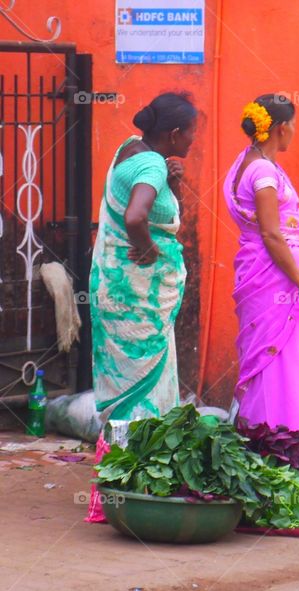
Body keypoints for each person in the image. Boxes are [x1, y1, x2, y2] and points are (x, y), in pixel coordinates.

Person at [90, 92, 197, 421]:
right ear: (175, 134)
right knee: (141, 379)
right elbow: (136, 216)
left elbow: (159, 210)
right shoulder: (151, 164)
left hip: (118, 291)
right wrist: (149, 250)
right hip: (137, 297)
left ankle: (121, 450)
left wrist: (173, 182)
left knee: (125, 376)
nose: (194, 139)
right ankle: (140, 455)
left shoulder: (131, 147)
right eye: (191, 131)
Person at [224, 94, 299, 435]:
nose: (295, 131)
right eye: (293, 125)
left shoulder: (246, 161)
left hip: (271, 279)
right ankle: (280, 436)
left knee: (283, 359)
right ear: (281, 128)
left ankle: (285, 435)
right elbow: (271, 234)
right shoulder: (263, 172)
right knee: (277, 360)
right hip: (276, 282)